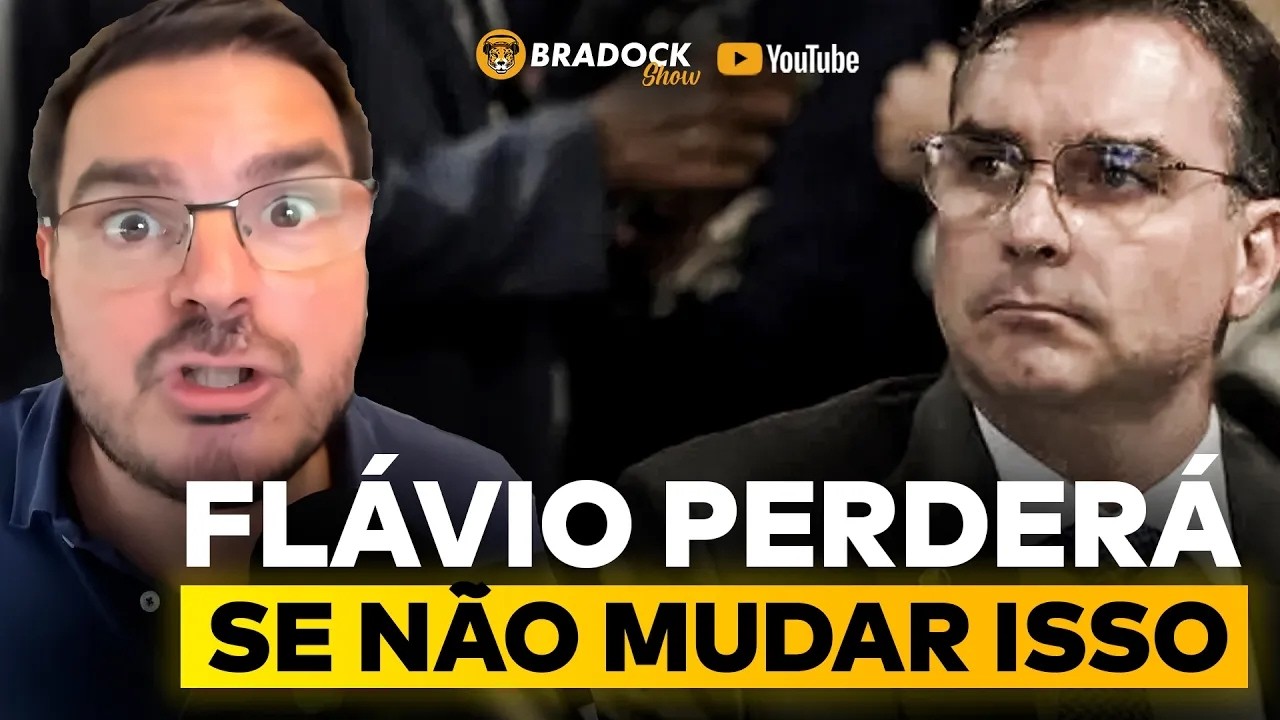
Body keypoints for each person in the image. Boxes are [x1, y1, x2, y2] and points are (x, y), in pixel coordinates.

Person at [600, 1, 1280, 719]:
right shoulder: (699, 549)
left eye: (1115, 173)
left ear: (1253, 256)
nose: (1028, 226)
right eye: (988, 165)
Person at [0, 1, 562, 718]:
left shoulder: (473, 508)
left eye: (288, 213)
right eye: (134, 223)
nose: (217, 286)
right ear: (51, 258)